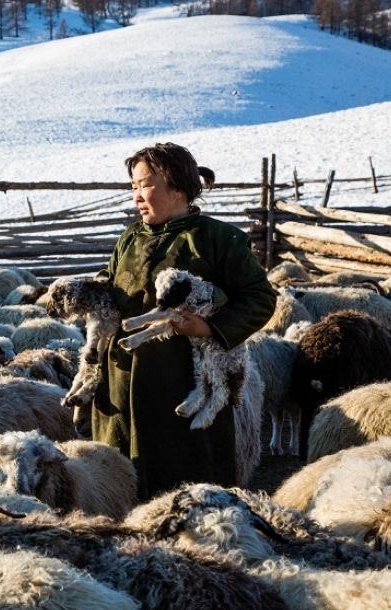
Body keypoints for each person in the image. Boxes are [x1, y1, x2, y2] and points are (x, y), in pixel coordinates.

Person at [91, 142, 276, 500]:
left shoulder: (216, 239)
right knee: (120, 478)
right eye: (133, 187)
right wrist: (92, 290)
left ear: (177, 186)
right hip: (121, 381)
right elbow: (110, 279)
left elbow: (260, 297)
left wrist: (209, 328)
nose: (136, 196)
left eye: (144, 185)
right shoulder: (130, 238)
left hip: (181, 384)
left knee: (184, 485)